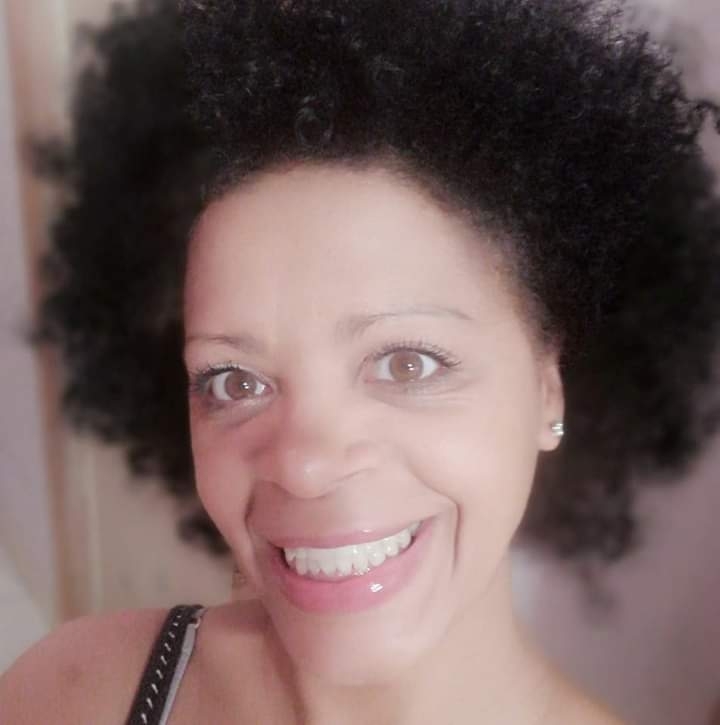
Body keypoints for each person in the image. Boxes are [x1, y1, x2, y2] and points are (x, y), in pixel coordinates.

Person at [2, 0, 719, 722]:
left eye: (408, 364)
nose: (304, 465)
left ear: (547, 389)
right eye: (235, 380)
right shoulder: (71, 691)